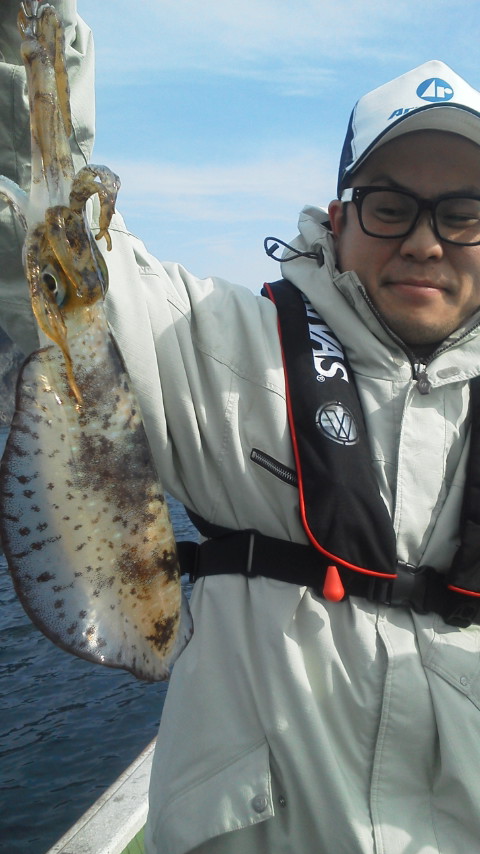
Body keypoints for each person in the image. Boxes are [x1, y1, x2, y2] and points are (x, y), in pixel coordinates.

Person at [2, 4, 480, 853]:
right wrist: (28, 35)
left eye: (464, 213)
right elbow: (40, 234)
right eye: (389, 206)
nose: (425, 243)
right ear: (338, 219)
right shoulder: (215, 350)